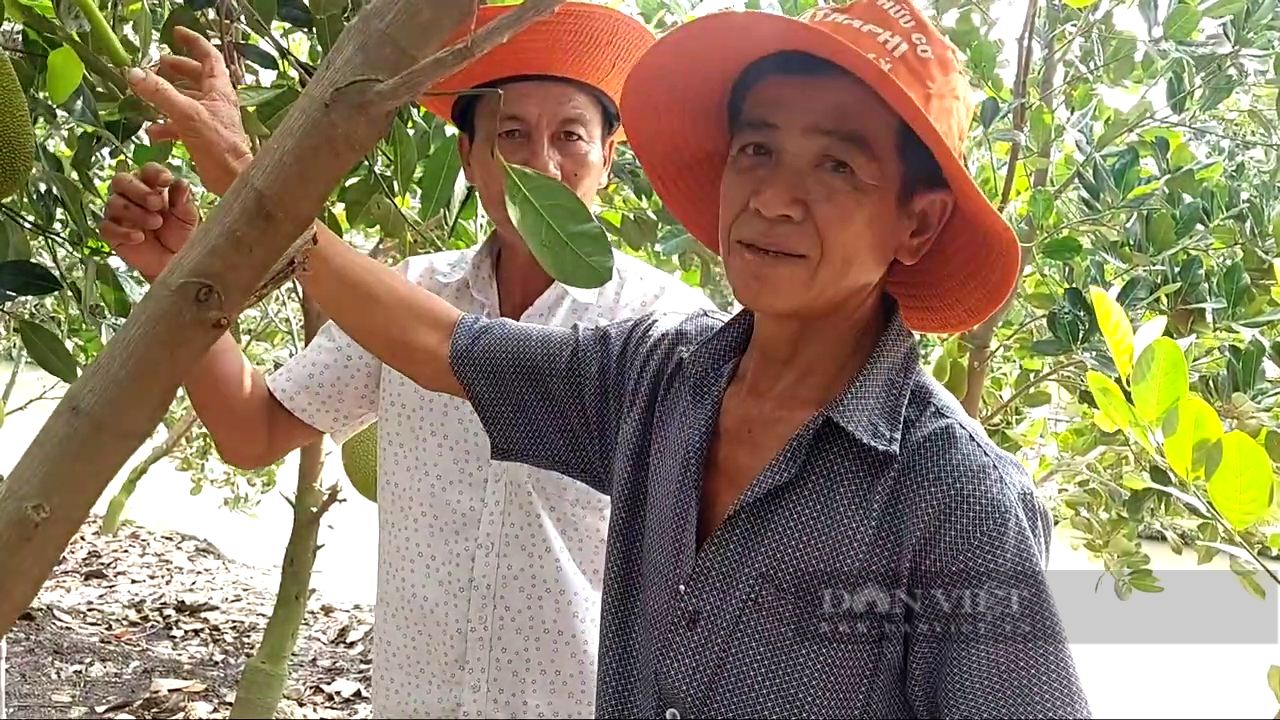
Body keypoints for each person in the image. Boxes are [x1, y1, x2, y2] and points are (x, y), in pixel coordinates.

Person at [110, 2, 1095, 719]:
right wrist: (236, 207)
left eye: (835, 165)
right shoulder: (655, 379)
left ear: (916, 223)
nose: (775, 200)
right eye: (755, 151)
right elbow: (432, 342)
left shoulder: (953, 499)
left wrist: (249, 181)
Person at [100, 4, 719, 718]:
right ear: (467, 156)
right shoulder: (407, 296)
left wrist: (247, 178)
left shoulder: (665, 328)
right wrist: (175, 271)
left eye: (571, 136)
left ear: (609, 159)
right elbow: (252, 430)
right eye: (510, 134)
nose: (541, 165)